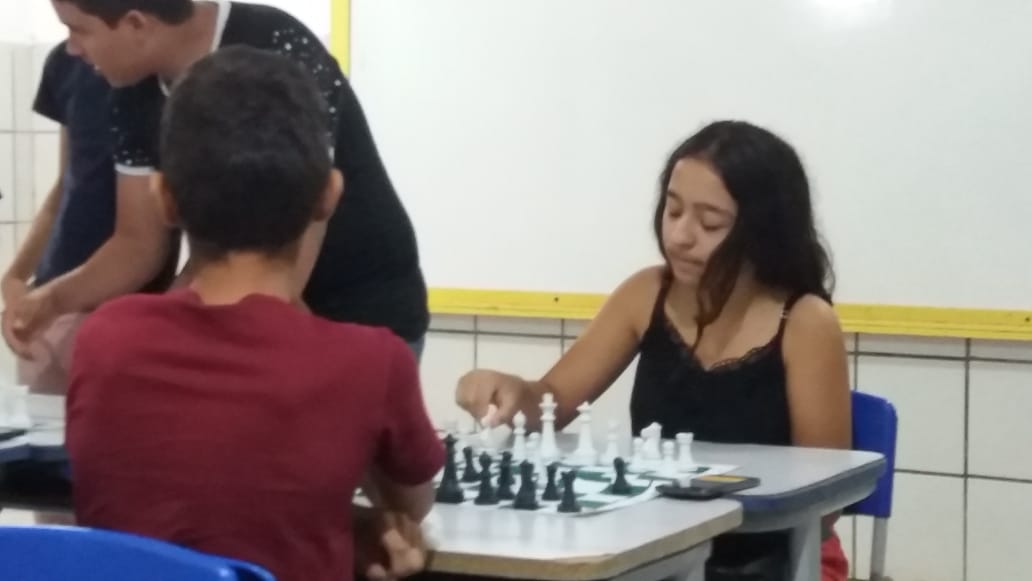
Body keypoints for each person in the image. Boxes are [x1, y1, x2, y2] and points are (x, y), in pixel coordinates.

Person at [66, 47, 445, 581]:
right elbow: (410, 510)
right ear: (329, 196)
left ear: (164, 198)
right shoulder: (372, 362)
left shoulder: (104, 339)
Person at [455, 121, 852, 581]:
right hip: (665, 550)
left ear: (762, 230)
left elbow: (824, 497)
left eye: (710, 223)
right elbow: (553, 402)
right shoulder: (645, 294)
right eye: (673, 209)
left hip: (779, 556)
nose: (680, 235)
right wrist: (508, 391)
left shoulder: (804, 321)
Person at [11, 0, 429, 360]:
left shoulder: (275, 50)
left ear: (137, 24)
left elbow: (283, 268)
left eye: (78, 29)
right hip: (252, 305)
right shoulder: (131, 85)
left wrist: (174, 332)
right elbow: (138, 243)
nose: (72, 48)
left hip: (360, 310)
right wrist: (51, 299)